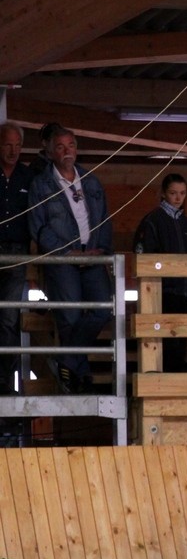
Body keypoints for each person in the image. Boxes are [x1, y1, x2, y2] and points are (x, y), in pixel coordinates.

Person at [28, 126, 112, 394]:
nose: (67, 152)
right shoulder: (41, 184)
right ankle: (80, 375)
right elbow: (38, 227)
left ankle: (65, 359)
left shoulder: (91, 180)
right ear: (50, 152)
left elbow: (105, 218)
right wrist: (67, 253)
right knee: (71, 315)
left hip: (94, 255)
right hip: (63, 259)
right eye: (61, 147)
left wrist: (101, 250)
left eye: (71, 146)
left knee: (103, 308)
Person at [133, 174, 187, 372]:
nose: (178, 198)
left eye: (182, 193)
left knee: (181, 341)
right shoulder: (153, 221)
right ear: (163, 193)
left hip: (184, 292)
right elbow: (144, 254)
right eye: (173, 193)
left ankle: (177, 382)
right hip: (161, 292)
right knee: (164, 342)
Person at [0, 122, 33, 394]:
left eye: (17, 145)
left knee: (9, 318)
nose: (13, 150)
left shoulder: (28, 176)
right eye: (8, 144)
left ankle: (4, 381)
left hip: (18, 252)